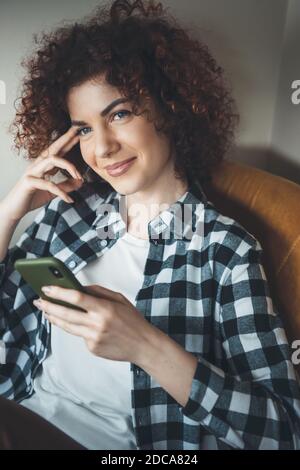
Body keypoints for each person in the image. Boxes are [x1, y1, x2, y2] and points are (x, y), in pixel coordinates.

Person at [0, 0, 300, 450]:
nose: (101, 147)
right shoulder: (69, 214)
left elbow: (284, 430)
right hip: (21, 412)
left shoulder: (227, 251)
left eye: (119, 114)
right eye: (83, 129)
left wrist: (145, 346)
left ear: (171, 108)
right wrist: (9, 215)